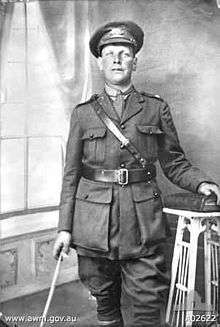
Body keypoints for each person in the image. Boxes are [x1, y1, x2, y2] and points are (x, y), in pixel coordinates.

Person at [53, 21, 220, 327]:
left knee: (146, 305)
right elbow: (70, 176)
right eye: (110, 54)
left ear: (135, 61)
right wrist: (64, 228)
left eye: (124, 53)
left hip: (142, 222)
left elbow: (174, 162)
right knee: (104, 302)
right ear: (100, 62)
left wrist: (202, 182)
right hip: (93, 224)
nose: (117, 59)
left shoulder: (155, 109)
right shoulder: (83, 113)